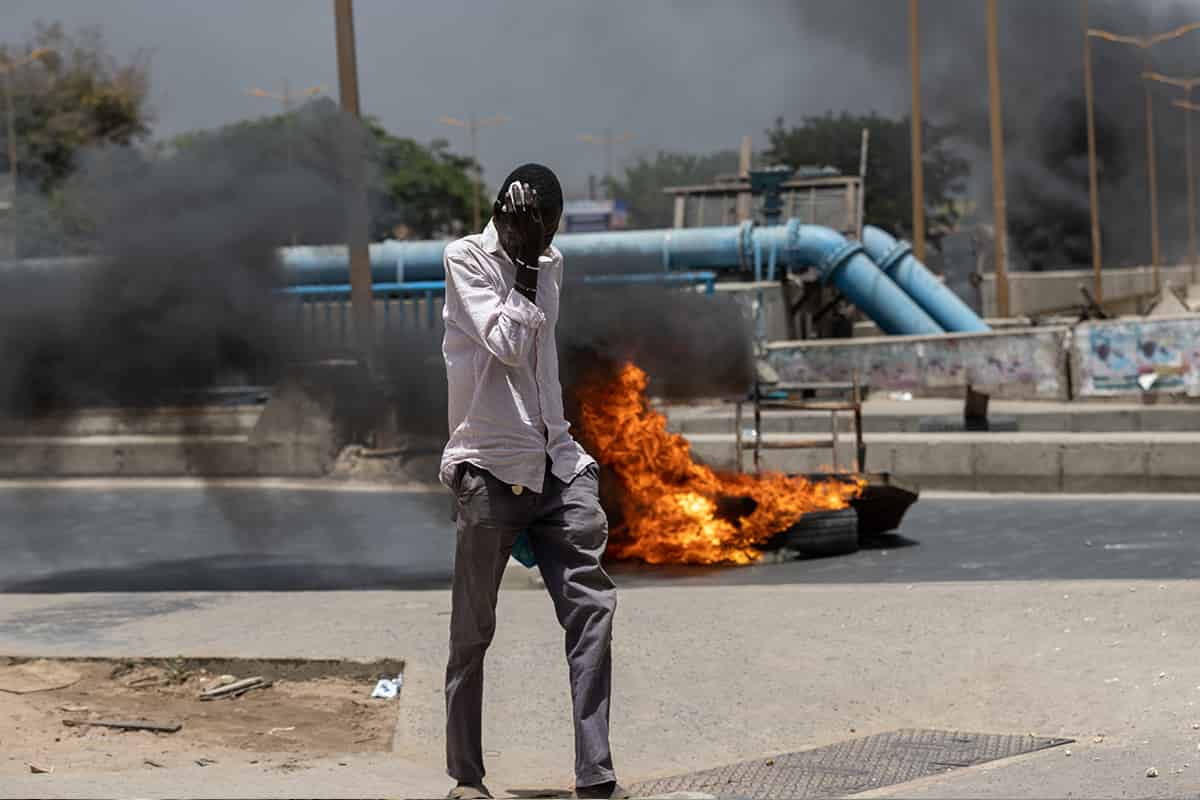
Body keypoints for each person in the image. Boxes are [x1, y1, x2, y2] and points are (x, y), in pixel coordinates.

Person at [439, 164, 628, 800]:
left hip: (555, 461)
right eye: (539, 228)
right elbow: (508, 344)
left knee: (592, 611)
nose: (547, 242)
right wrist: (520, 266)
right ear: (514, 216)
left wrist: (575, 458)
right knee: (472, 631)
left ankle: (595, 775)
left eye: (553, 231)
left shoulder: (550, 262)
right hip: (489, 465)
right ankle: (467, 779)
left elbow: (541, 365)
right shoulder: (465, 259)